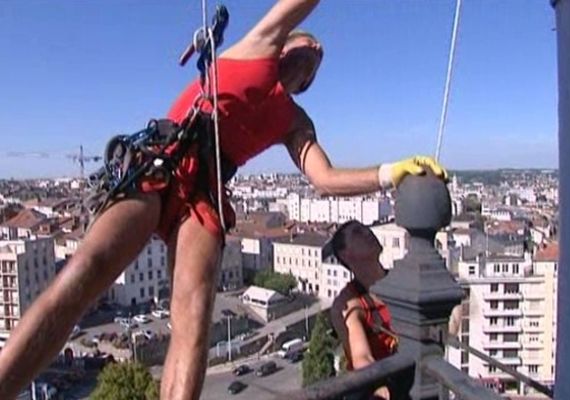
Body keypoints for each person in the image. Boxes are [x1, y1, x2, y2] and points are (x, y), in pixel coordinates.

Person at [0, 1, 447, 399]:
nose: (316, 52)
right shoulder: (257, 47)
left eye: (318, 61)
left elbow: (324, 179)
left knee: (194, 321)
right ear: (285, 47)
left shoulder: (294, 120)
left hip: (205, 195)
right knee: (88, 271)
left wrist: (391, 173)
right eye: (308, 45)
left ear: (308, 82)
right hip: (164, 162)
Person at [328, 220, 401, 400]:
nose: (368, 232)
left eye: (365, 228)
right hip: (373, 388)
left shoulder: (400, 280)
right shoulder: (348, 304)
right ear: (346, 254)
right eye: (357, 232)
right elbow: (361, 357)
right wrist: (380, 385)